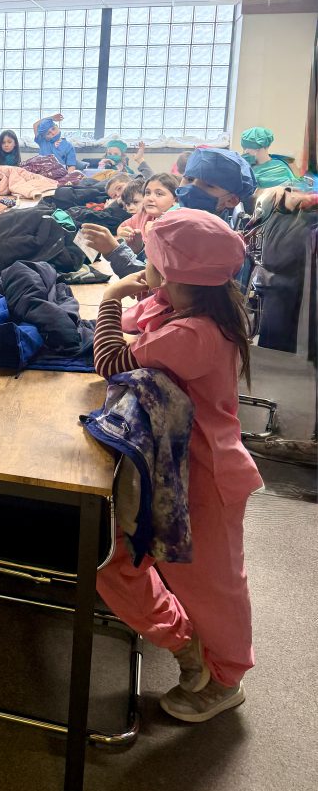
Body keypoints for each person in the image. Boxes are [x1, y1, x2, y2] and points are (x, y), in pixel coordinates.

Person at [93, 209, 262, 722]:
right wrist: (131, 300)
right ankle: (192, 649)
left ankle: (225, 680)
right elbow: (139, 323)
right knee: (164, 568)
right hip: (179, 462)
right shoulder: (192, 308)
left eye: (150, 258)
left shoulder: (194, 334)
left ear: (170, 272)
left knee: (212, 585)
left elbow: (110, 360)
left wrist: (107, 300)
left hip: (203, 475)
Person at [80, 149, 257, 278]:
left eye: (208, 185)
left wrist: (114, 251)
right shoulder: (180, 220)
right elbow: (156, 268)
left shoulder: (208, 237)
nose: (191, 188)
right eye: (188, 179)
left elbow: (158, 287)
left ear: (232, 200)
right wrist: (140, 248)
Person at [240, 126, 308, 189]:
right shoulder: (244, 167)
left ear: (257, 148)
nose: (245, 151)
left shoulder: (281, 165)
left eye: (246, 147)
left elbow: (297, 187)